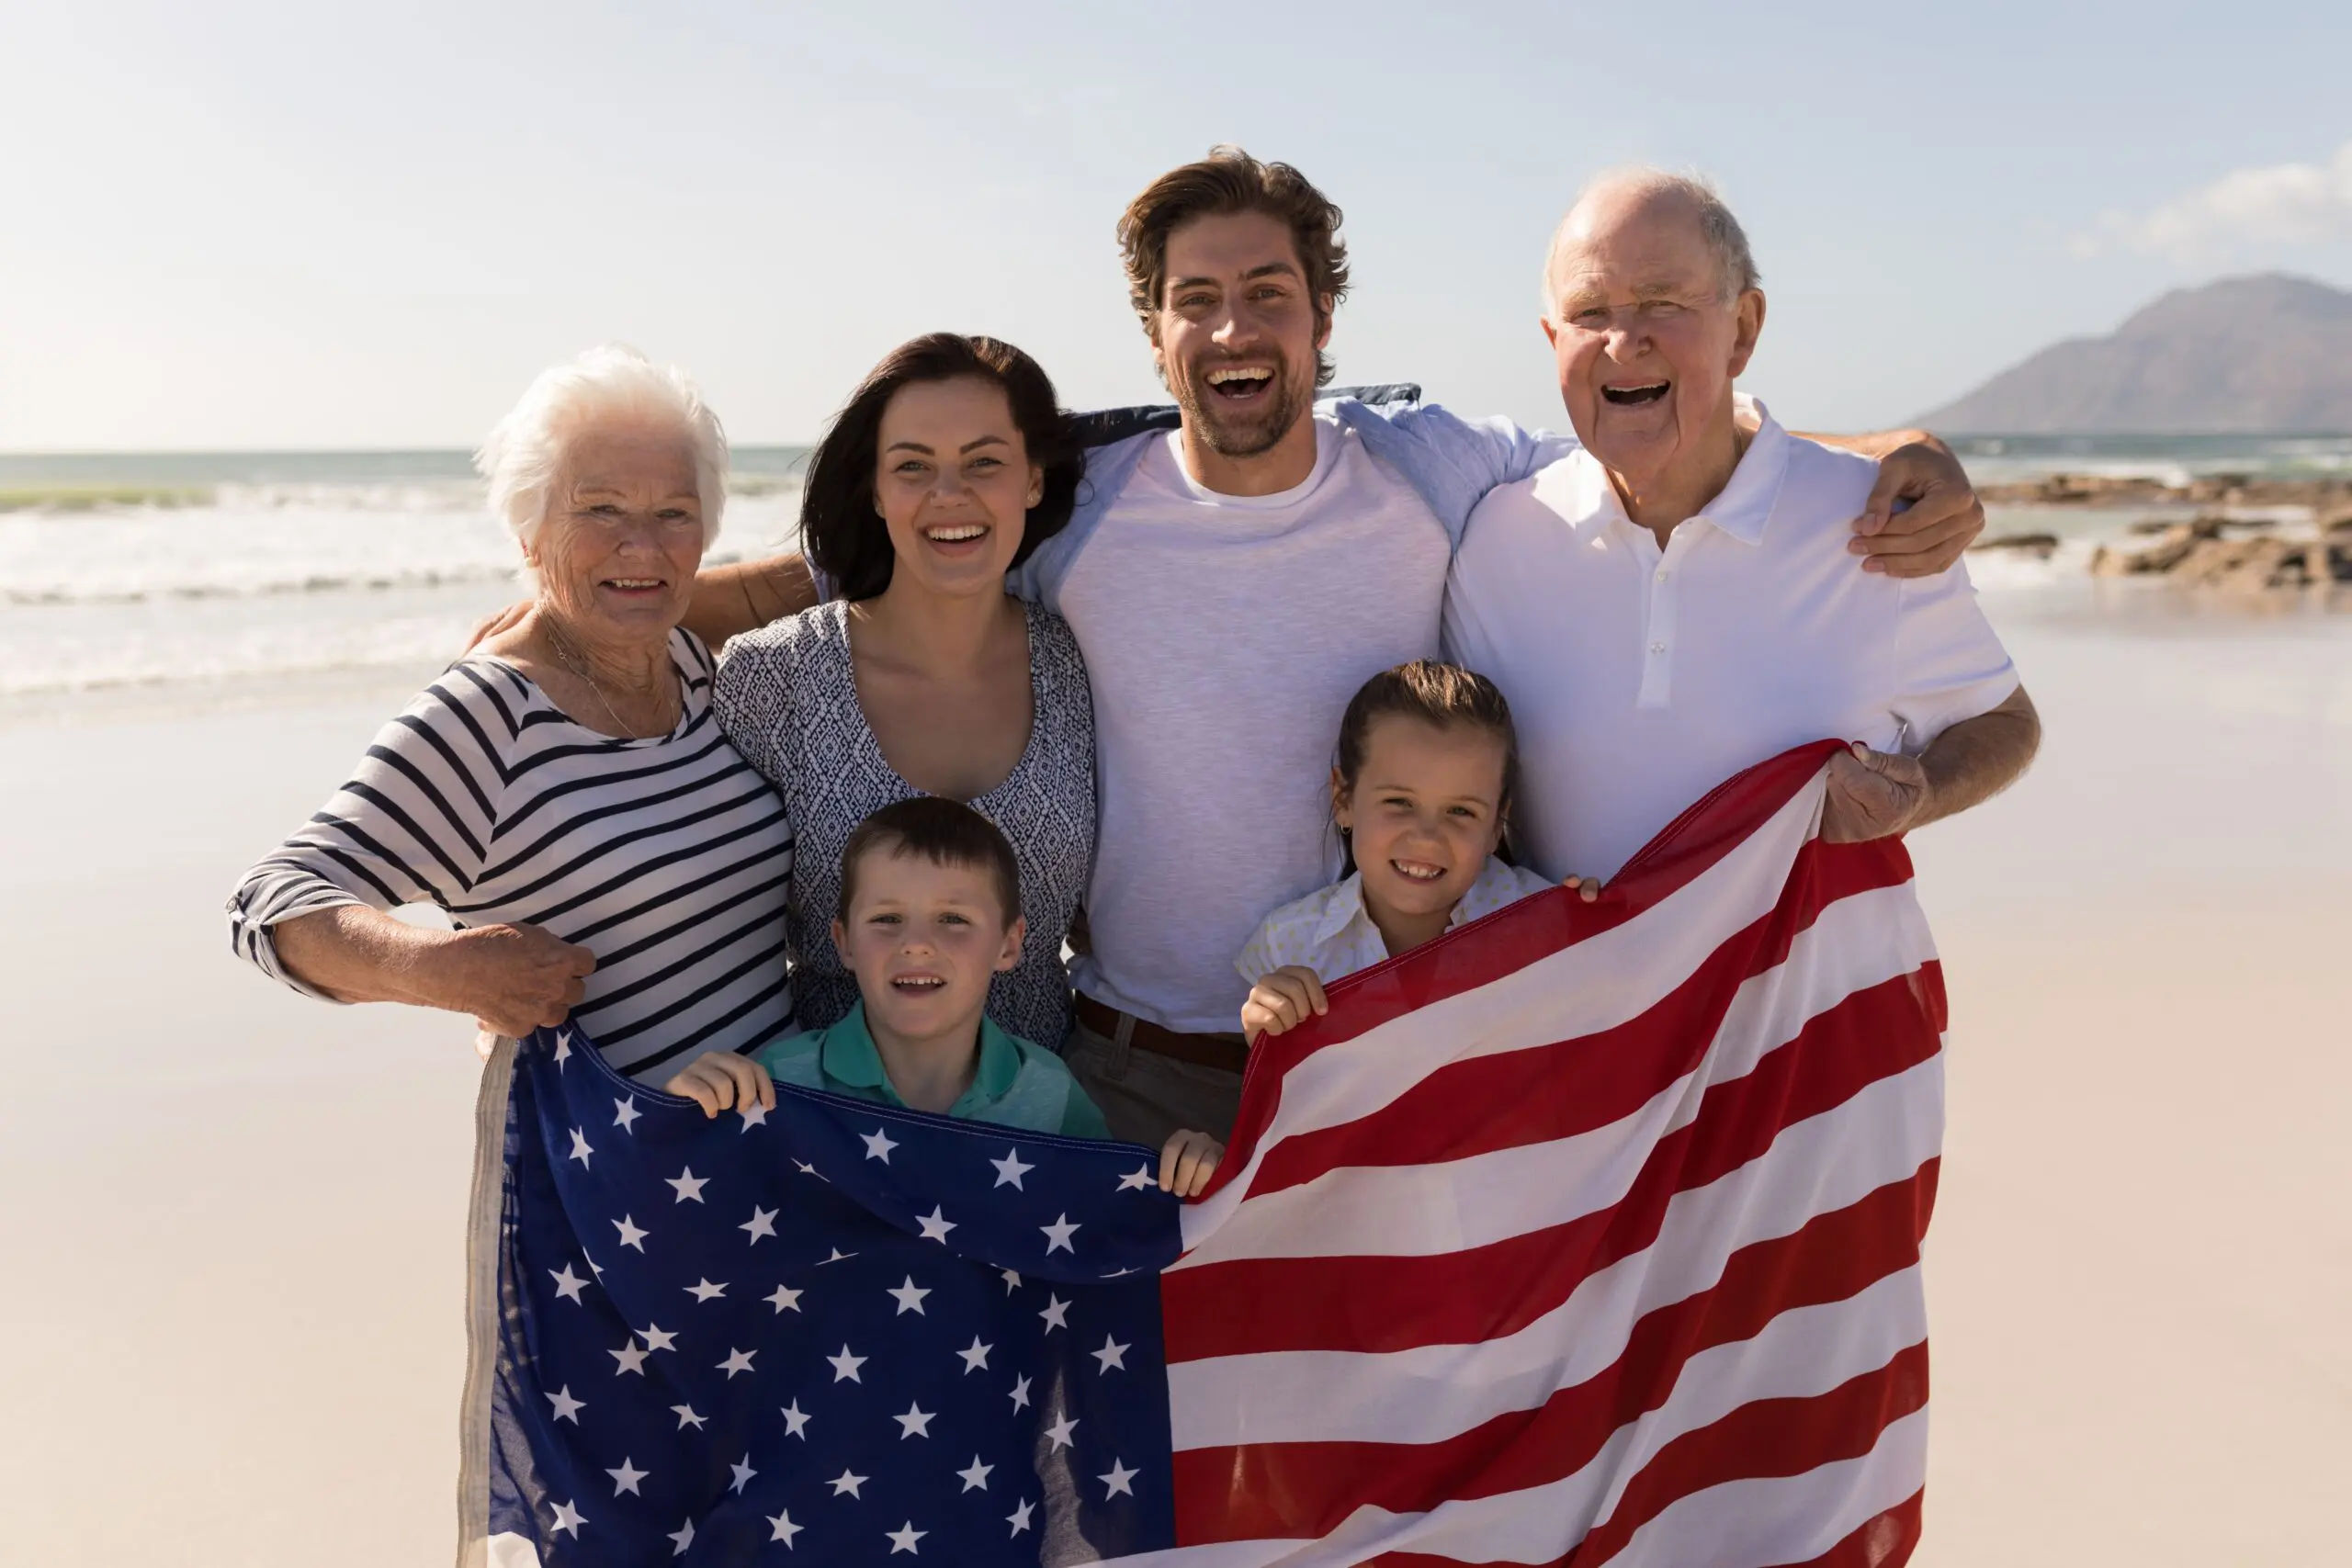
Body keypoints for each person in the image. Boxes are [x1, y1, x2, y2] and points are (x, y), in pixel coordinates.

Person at [625, 149, 1991, 1151]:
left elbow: (1648, 428)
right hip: (1130, 1065)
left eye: (1267, 293)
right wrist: (634, 598)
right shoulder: (1082, 508)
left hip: (1378, 1051)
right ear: (1157, 333)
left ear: (1322, 323)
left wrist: (1895, 449)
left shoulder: (1430, 468)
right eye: (1197, 299)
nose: (1234, 328)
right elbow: (905, 531)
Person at [1445, 169, 2041, 885]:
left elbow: (2005, 721)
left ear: (1744, 328)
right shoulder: (1494, 544)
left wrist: (1922, 795)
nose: (1623, 339)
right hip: (1590, 1000)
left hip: (1817, 998)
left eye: (1662, 302)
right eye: (1590, 310)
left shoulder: (1877, 522)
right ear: (1553, 339)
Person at [225, 346, 795, 1083]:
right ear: (527, 531)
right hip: (623, 1178)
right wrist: (442, 968)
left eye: (674, 514)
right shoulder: (485, 717)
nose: (643, 545)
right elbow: (269, 902)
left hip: (785, 1160)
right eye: (600, 509)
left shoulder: (701, 669)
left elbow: (843, 574)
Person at [713, 335, 1092, 1052]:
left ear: (1034, 481)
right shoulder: (773, 678)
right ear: (876, 489)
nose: (949, 495)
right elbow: (691, 899)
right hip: (829, 1126)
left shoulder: (1080, 664)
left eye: (984, 462)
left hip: (1040, 1128)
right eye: (913, 466)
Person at [665, 797, 1225, 1197]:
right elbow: (693, 1212)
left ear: (1010, 945)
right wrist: (678, 1118)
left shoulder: (1052, 1095)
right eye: (886, 919)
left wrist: (1201, 1180)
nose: (917, 945)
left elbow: (1108, 1226)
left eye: (953, 919)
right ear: (844, 943)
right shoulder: (775, 1085)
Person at [1237, 660, 1594, 1044]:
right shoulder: (1288, 943)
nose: (1426, 837)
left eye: (1461, 811)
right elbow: (1284, 1093)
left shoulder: (1546, 926)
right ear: (1343, 798)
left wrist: (1605, 936)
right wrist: (1265, 1033)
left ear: (1496, 824)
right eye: (1399, 802)